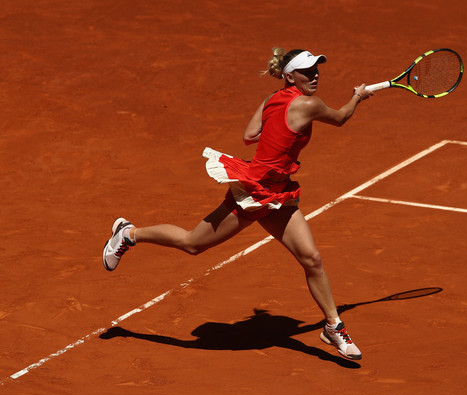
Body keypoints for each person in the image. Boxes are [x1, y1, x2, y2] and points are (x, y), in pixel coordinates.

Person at [102, 47, 373, 360]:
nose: (315, 76)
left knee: (311, 258)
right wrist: (358, 97)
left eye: (316, 70)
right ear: (290, 76)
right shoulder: (308, 104)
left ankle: (333, 326)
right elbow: (340, 118)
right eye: (307, 71)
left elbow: (249, 135)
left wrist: (279, 135)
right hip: (254, 193)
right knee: (193, 244)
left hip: (278, 194)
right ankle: (129, 234)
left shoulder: (274, 98)